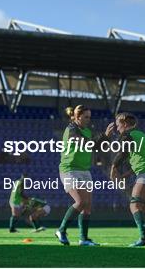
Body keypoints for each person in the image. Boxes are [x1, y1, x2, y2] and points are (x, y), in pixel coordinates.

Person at [55, 105, 115, 246]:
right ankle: (61, 230)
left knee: (87, 206)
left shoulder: (87, 130)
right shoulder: (71, 129)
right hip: (69, 169)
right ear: (77, 116)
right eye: (86, 116)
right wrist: (103, 136)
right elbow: (84, 144)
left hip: (85, 170)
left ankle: (83, 239)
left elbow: (95, 146)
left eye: (89, 116)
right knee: (81, 202)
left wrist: (105, 139)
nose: (88, 119)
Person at [110, 112, 145, 247]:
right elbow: (144, 159)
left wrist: (113, 167)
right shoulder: (142, 136)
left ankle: (144, 237)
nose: (117, 129)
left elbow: (123, 152)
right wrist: (126, 174)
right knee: (144, 206)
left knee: (134, 205)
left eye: (118, 125)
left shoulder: (128, 135)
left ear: (125, 124)